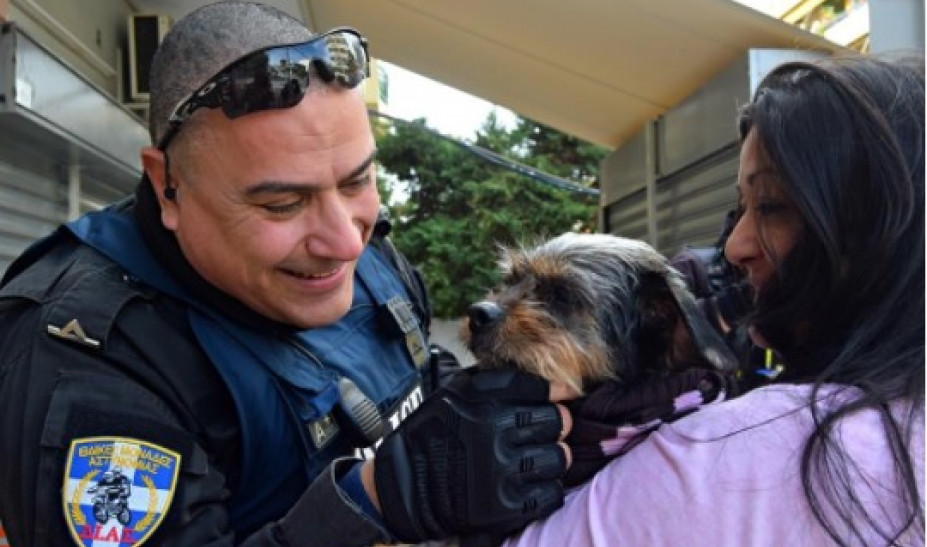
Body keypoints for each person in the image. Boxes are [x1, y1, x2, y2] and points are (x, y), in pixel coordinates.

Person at [0, 2, 571, 545]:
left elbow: (419, 367)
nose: (346, 242)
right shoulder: (85, 360)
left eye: (357, 181)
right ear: (165, 185)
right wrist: (370, 505)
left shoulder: (369, 254)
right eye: (281, 205)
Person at [506, 53, 925, 546]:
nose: (734, 245)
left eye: (770, 206)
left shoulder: (730, 452)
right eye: (739, 208)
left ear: (878, 229)